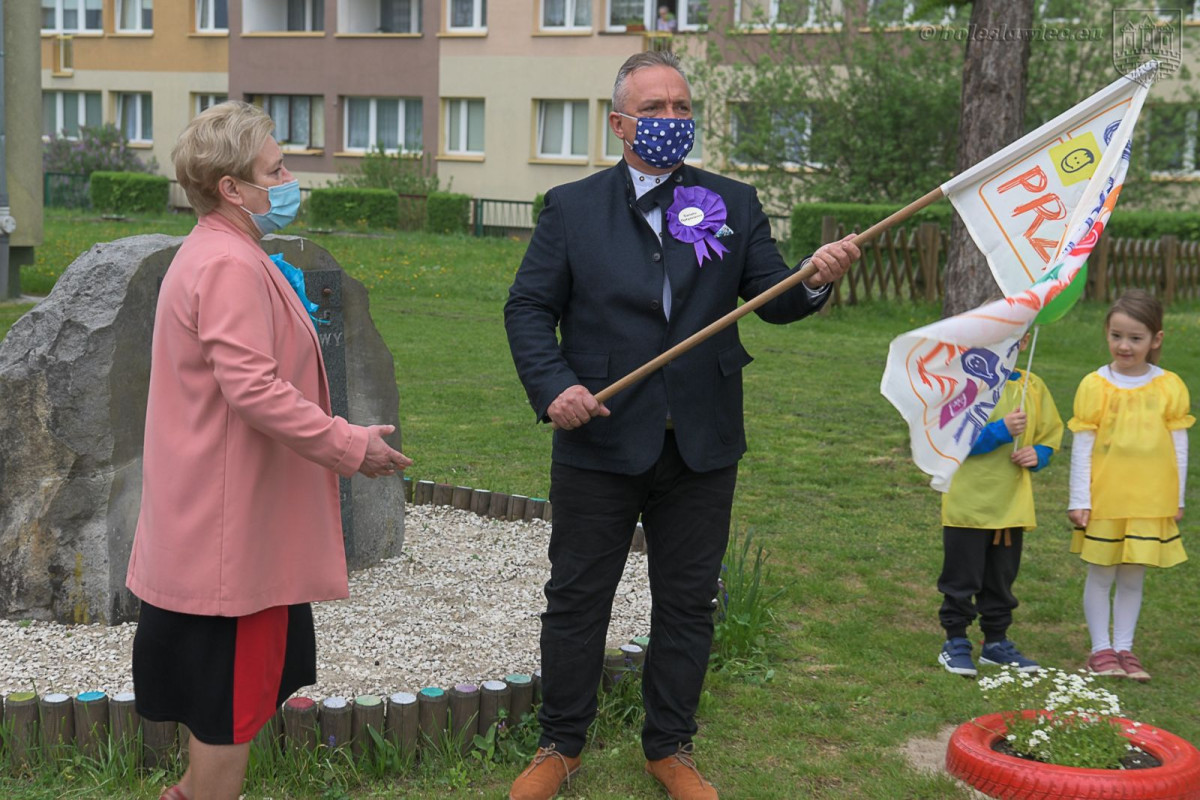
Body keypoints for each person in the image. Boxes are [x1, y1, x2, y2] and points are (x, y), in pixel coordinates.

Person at [503, 50, 858, 800]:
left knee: (688, 601)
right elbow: (529, 309)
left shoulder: (732, 201)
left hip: (701, 442)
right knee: (576, 597)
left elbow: (776, 297)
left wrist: (815, 278)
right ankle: (561, 744)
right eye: (656, 109)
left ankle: (669, 747)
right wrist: (555, 385)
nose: (673, 121)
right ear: (620, 122)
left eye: (682, 107)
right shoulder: (571, 207)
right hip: (599, 437)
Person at [126, 101, 411, 800]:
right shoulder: (228, 262)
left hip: (224, 531)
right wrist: (350, 446)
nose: (289, 180)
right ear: (231, 187)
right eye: (275, 169)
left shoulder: (223, 250)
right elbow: (253, 389)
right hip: (234, 543)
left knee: (218, 700)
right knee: (229, 710)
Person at [1067, 289, 1192, 682]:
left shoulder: (1170, 386)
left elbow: (1179, 446)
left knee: (1133, 575)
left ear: (1156, 339)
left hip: (1150, 501)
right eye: (1116, 335)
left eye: (1135, 338)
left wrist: (1177, 497)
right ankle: (1100, 650)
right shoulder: (1094, 385)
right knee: (1101, 573)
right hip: (1105, 499)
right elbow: (1083, 446)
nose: (1124, 345)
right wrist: (1079, 498)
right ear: (1107, 334)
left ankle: (1124, 647)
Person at [936, 331, 1063, 678]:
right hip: (968, 506)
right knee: (961, 578)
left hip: (1011, 507)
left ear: (1024, 344)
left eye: (1011, 340)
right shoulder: (965, 386)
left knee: (1001, 579)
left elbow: (1051, 435)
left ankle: (996, 642)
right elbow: (953, 438)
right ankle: (956, 641)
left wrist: (1038, 454)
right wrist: (1000, 431)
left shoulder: (1032, 386)